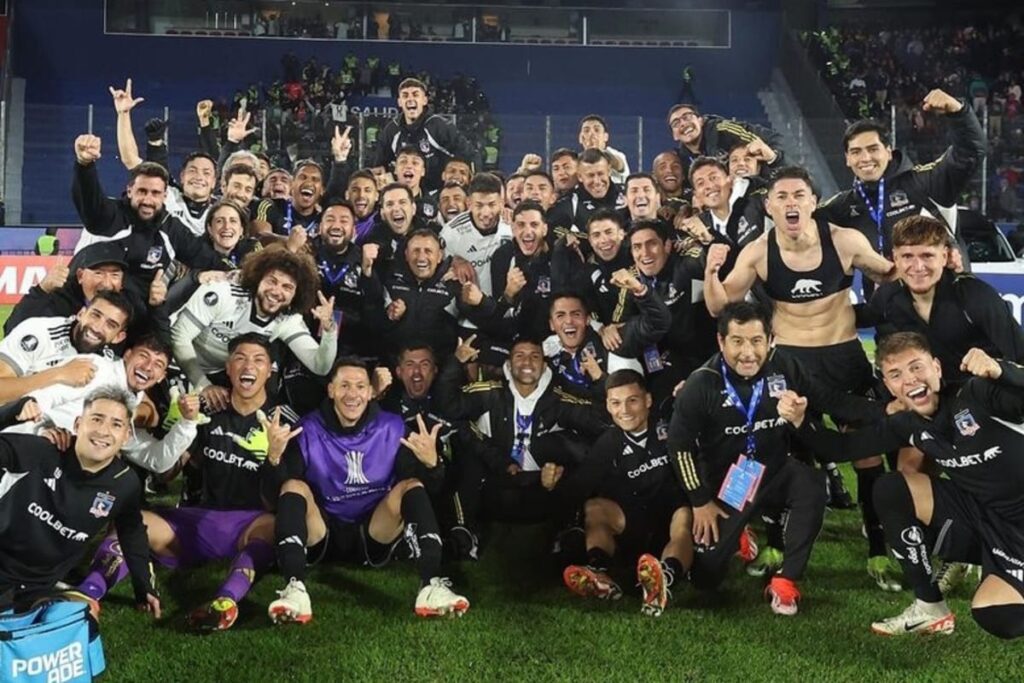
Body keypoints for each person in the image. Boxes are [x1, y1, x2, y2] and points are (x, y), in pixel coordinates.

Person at [703, 166, 901, 588]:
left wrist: (936, 261)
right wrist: (710, 271)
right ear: (769, 206)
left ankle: (878, 552)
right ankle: (776, 543)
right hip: (789, 361)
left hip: (843, 357)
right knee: (785, 455)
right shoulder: (758, 251)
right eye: (781, 196)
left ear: (813, 201)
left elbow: (889, 272)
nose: (791, 202)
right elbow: (722, 306)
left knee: (867, 454)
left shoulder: (845, 240)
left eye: (799, 195)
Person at [780, 333, 1024, 639]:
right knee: (891, 489)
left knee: (1006, 616)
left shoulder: (979, 393)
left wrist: (1002, 371)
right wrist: (802, 420)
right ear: (888, 386)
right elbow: (839, 449)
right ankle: (930, 608)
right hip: (990, 522)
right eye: (896, 375)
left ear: (936, 367)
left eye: (916, 367)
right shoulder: (907, 424)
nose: (909, 380)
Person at [669, 302, 882, 614]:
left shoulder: (785, 366)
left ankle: (786, 580)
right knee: (705, 577)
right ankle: (740, 534)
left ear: (771, 340)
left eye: (756, 341)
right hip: (732, 482)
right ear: (721, 341)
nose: (748, 353)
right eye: (737, 341)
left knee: (811, 483)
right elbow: (679, 446)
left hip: (776, 470)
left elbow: (830, 400)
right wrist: (700, 501)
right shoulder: (702, 383)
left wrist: (885, 410)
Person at [77, 335, 297, 631]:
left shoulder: (285, 420)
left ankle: (225, 601)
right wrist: (180, 423)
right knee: (133, 521)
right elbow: (166, 474)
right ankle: (87, 595)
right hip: (195, 522)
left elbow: (281, 499)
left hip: (250, 524)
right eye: (240, 358)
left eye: (259, 360)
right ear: (229, 368)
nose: (249, 365)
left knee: (275, 524)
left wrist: (273, 456)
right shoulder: (206, 412)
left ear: (270, 370)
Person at [266, 358, 470, 622]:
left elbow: (428, 491)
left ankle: (431, 585)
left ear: (371, 392)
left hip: (375, 533)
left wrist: (433, 464)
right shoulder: (308, 429)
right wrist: (273, 459)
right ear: (331, 390)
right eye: (344, 386)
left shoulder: (392, 427)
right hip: (322, 534)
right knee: (293, 485)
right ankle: (294, 588)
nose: (353, 394)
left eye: (360, 386)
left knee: (412, 485)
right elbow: (276, 495)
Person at [0, 387, 160, 616]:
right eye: (96, 419)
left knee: (86, 613)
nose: (104, 431)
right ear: (77, 424)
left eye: (116, 424)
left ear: (126, 436)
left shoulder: (124, 483)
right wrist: (10, 411)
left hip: (36, 586)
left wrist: (143, 584)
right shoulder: (43, 450)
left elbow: (131, 531)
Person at [552, 370, 691, 616]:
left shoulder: (671, 424)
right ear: (607, 405)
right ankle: (600, 573)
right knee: (594, 507)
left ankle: (664, 579)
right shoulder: (609, 442)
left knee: (684, 517)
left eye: (632, 400)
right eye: (616, 403)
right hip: (634, 523)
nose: (624, 410)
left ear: (648, 400)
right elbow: (579, 487)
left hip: (672, 516)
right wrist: (553, 486)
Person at [816, 89, 985, 272]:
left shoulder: (924, 183)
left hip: (944, 298)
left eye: (873, 149)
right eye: (856, 152)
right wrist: (779, 161)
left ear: (888, 152)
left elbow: (969, 153)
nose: (865, 158)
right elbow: (796, 218)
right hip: (884, 300)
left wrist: (958, 112)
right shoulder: (844, 208)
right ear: (847, 159)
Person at [863, 215, 1024, 387]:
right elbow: (853, 320)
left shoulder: (975, 296)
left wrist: (998, 368)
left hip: (984, 400)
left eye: (927, 256)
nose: (917, 267)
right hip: (928, 401)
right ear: (895, 258)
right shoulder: (887, 298)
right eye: (907, 256)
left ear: (945, 257)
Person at [170, 246, 337, 411]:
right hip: (177, 362)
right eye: (272, 281)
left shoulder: (289, 319)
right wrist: (203, 385)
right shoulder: (223, 292)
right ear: (258, 279)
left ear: (296, 295)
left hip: (225, 372)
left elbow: (319, 366)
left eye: (287, 287)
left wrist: (329, 331)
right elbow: (179, 336)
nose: (276, 291)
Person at [71, 136, 225, 292]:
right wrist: (85, 166)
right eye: (142, 191)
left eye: (155, 193)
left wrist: (241, 271)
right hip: (88, 302)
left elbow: (205, 258)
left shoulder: (170, 227)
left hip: (138, 308)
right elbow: (90, 204)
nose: (148, 200)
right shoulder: (113, 215)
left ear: (165, 196)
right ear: (130, 190)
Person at [0, 290, 133, 404]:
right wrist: (58, 373)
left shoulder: (108, 364)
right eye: (95, 315)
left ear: (118, 337)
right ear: (81, 313)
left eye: (110, 325)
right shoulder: (39, 332)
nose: (97, 327)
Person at [369, 77, 480, 192]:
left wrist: (474, 189)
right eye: (405, 95)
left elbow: (471, 155)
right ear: (399, 102)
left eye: (415, 94)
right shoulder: (391, 130)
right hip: (407, 196)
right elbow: (379, 167)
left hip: (440, 195)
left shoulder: (438, 126)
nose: (410, 99)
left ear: (425, 100)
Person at [667, 103, 783, 185]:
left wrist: (774, 157)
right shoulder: (683, 161)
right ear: (674, 135)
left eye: (687, 117)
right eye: (676, 123)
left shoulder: (724, 130)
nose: (683, 124)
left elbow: (772, 138)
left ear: (701, 121)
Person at [547, 149, 626, 238]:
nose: (597, 181)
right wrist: (586, 239)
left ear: (609, 171)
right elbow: (550, 228)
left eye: (600, 174)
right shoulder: (570, 202)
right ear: (580, 177)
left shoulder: (627, 194)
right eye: (590, 175)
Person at [578, 115, 631, 185]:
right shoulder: (577, 161)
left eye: (597, 130)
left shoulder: (617, 155)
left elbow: (618, 164)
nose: (591, 134)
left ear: (606, 137)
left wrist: (596, 152)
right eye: (586, 131)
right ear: (581, 138)